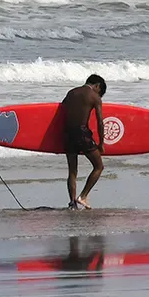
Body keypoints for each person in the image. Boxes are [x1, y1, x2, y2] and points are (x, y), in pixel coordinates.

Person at [61, 74, 107, 209]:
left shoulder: (71, 93)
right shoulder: (94, 97)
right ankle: (83, 196)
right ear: (97, 86)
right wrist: (101, 143)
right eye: (100, 91)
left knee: (72, 171)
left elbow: (62, 110)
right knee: (99, 166)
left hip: (68, 133)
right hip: (82, 134)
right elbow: (100, 122)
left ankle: (72, 202)